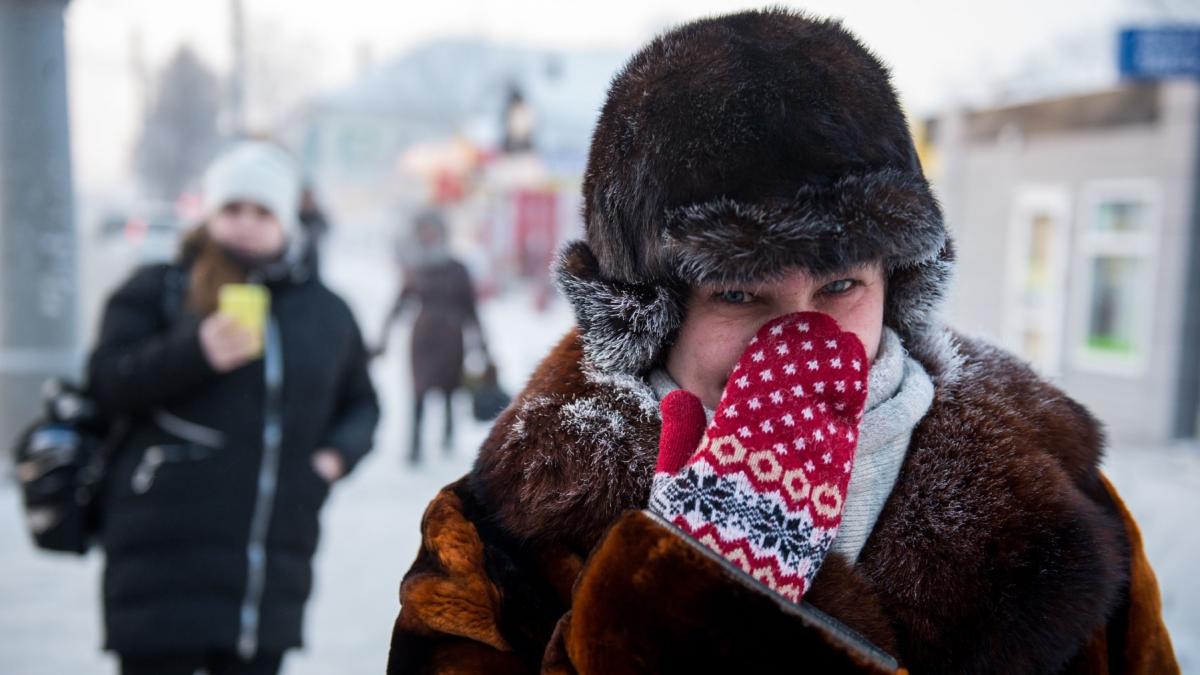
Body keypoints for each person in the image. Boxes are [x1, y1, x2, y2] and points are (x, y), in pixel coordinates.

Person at [385, 10, 1180, 674]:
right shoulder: (494, 544)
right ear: (647, 313)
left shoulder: (1063, 501)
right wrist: (686, 601)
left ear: (895, 284)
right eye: (740, 294)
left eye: (841, 287)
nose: (805, 338)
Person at [89, 140, 380, 675]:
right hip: (161, 569)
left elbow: (362, 404)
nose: (246, 223)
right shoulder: (158, 290)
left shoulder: (327, 312)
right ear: (209, 214)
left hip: (267, 574)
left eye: (263, 211)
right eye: (232, 209)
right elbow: (107, 383)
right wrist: (194, 352)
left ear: (287, 221)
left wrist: (333, 460)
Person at [375, 210, 484, 464]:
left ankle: (447, 436)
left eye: (433, 230)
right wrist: (384, 338)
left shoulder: (458, 268)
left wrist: (482, 344)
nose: (429, 236)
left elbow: (471, 308)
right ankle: (414, 445)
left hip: (451, 338)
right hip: (422, 337)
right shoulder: (416, 268)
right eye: (425, 231)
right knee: (417, 392)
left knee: (449, 389)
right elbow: (399, 303)